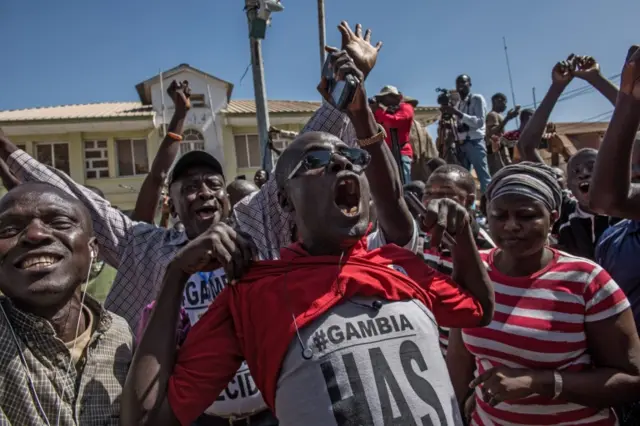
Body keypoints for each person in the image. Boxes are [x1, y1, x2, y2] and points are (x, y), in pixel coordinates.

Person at [122, 126, 495, 426]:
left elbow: (478, 309)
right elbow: (145, 419)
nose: (341, 166)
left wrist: (462, 239)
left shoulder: (397, 263)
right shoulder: (254, 294)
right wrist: (175, 275)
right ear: (285, 200)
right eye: (316, 161)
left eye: (351, 158)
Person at [446, 162, 640, 426]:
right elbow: (460, 359)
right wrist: (452, 414)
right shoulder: (474, 270)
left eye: (526, 216)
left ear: (554, 216)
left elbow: (631, 380)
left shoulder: (586, 281)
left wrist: (540, 382)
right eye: (500, 216)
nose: (512, 226)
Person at [0, 182, 133, 425]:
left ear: (93, 251)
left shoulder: (121, 335)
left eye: (60, 222)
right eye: (9, 229)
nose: (35, 234)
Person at [517, 55, 619, 259]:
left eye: (592, 168)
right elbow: (526, 146)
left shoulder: (627, 208)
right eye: (576, 172)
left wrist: (596, 79)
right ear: (568, 186)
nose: (584, 174)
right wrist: (557, 87)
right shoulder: (566, 211)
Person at [420, 164, 496, 357]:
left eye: (445, 194)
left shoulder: (483, 248)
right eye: (428, 193)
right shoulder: (420, 238)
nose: (434, 201)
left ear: (469, 200)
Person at [591, 45, 640, 338]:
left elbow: (607, 198)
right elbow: (607, 199)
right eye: (630, 167)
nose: (634, 173)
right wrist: (628, 98)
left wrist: (628, 101)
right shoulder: (612, 239)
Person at [440, 74, 491, 193]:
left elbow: (479, 122)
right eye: (458, 83)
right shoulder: (459, 104)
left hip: (475, 142)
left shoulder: (476, 99)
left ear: (470, 84)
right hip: (461, 144)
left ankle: (488, 205)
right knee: (463, 179)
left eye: (464, 82)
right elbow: (461, 125)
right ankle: (469, 208)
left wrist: (457, 113)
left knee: (483, 177)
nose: (461, 86)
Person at [371, 85, 415, 183]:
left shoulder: (406, 107)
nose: (382, 100)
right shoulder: (386, 112)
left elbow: (394, 122)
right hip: (388, 152)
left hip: (402, 152)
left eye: (385, 97)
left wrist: (378, 111)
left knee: (404, 183)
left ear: (396, 97)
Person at [485, 93, 519, 174]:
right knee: (499, 173)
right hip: (495, 150)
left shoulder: (498, 115)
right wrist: (507, 118)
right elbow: (493, 132)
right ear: (497, 101)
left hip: (501, 148)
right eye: (504, 102)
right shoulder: (492, 115)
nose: (505, 105)